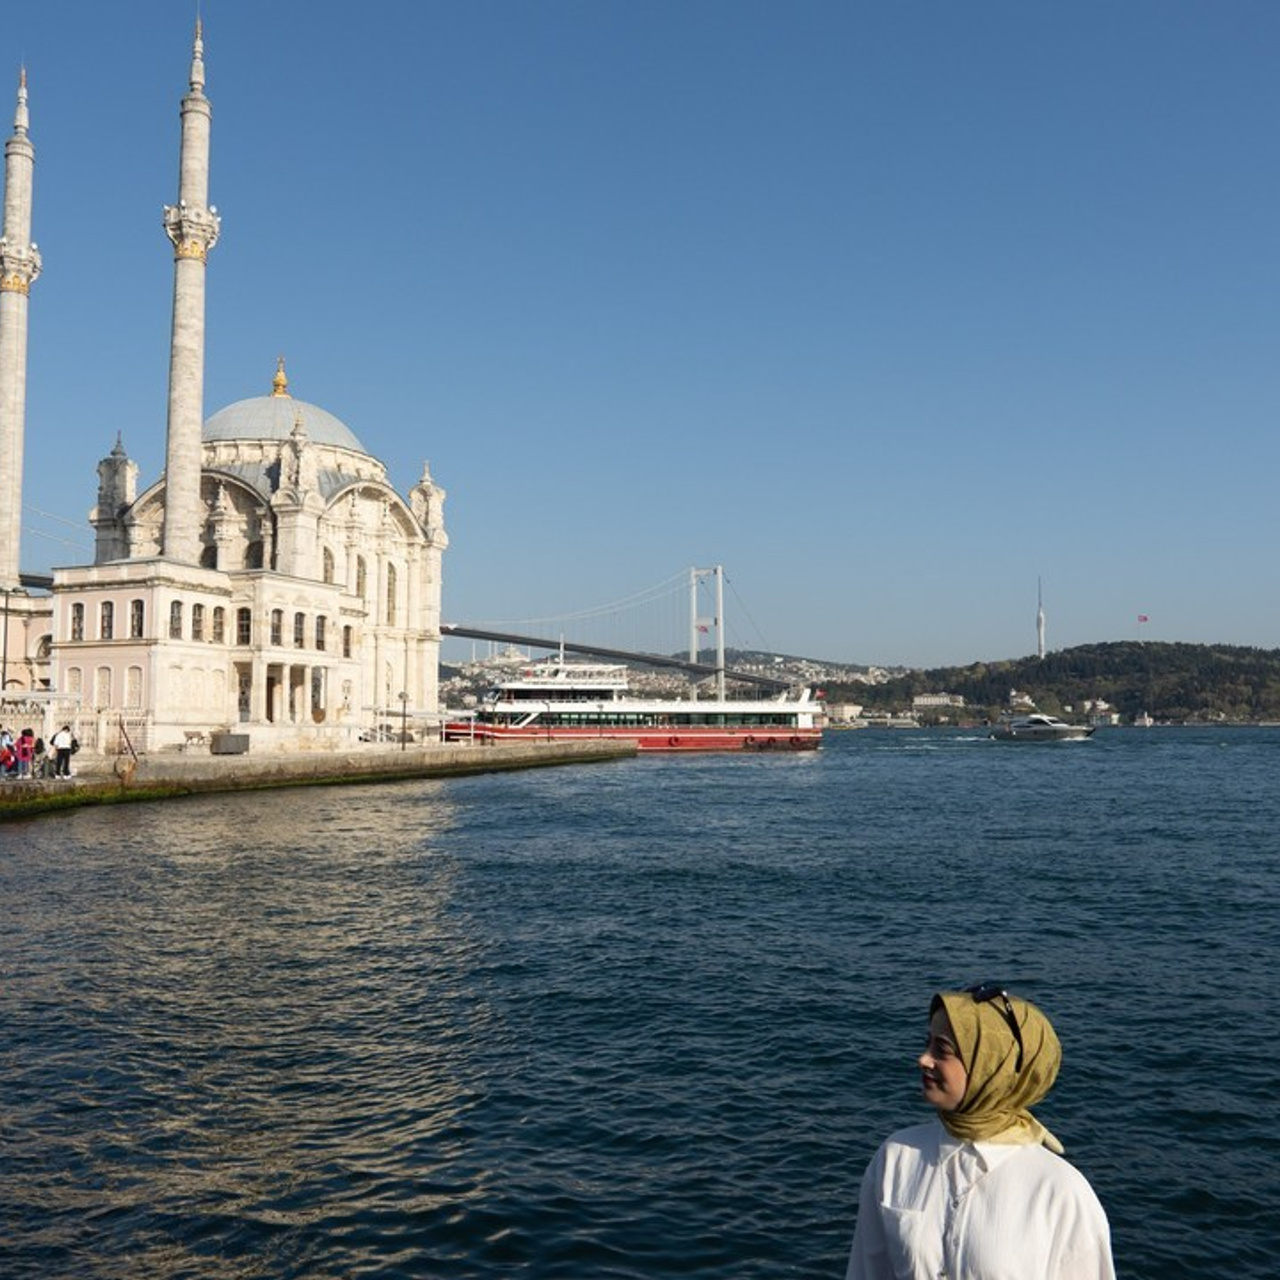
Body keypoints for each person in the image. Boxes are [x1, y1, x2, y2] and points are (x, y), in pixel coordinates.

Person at [845, 984, 1115, 1279]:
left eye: (942, 1049)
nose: (923, 1059)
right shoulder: (896, 1156)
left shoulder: (1060, 1191)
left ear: (991, 1066)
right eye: (927, 1042)